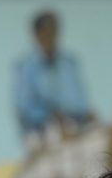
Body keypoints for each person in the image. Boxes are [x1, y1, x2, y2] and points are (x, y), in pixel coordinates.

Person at [14, 11, 94, 147]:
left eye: (55, 31)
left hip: (73, 125)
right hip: (40, 130)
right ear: (36, 35)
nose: (51, 37)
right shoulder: (26, 67)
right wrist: (49, 115)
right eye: (47, 31)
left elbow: (79, 99)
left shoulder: (69, 62)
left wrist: (86, 113)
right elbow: (24, 108)